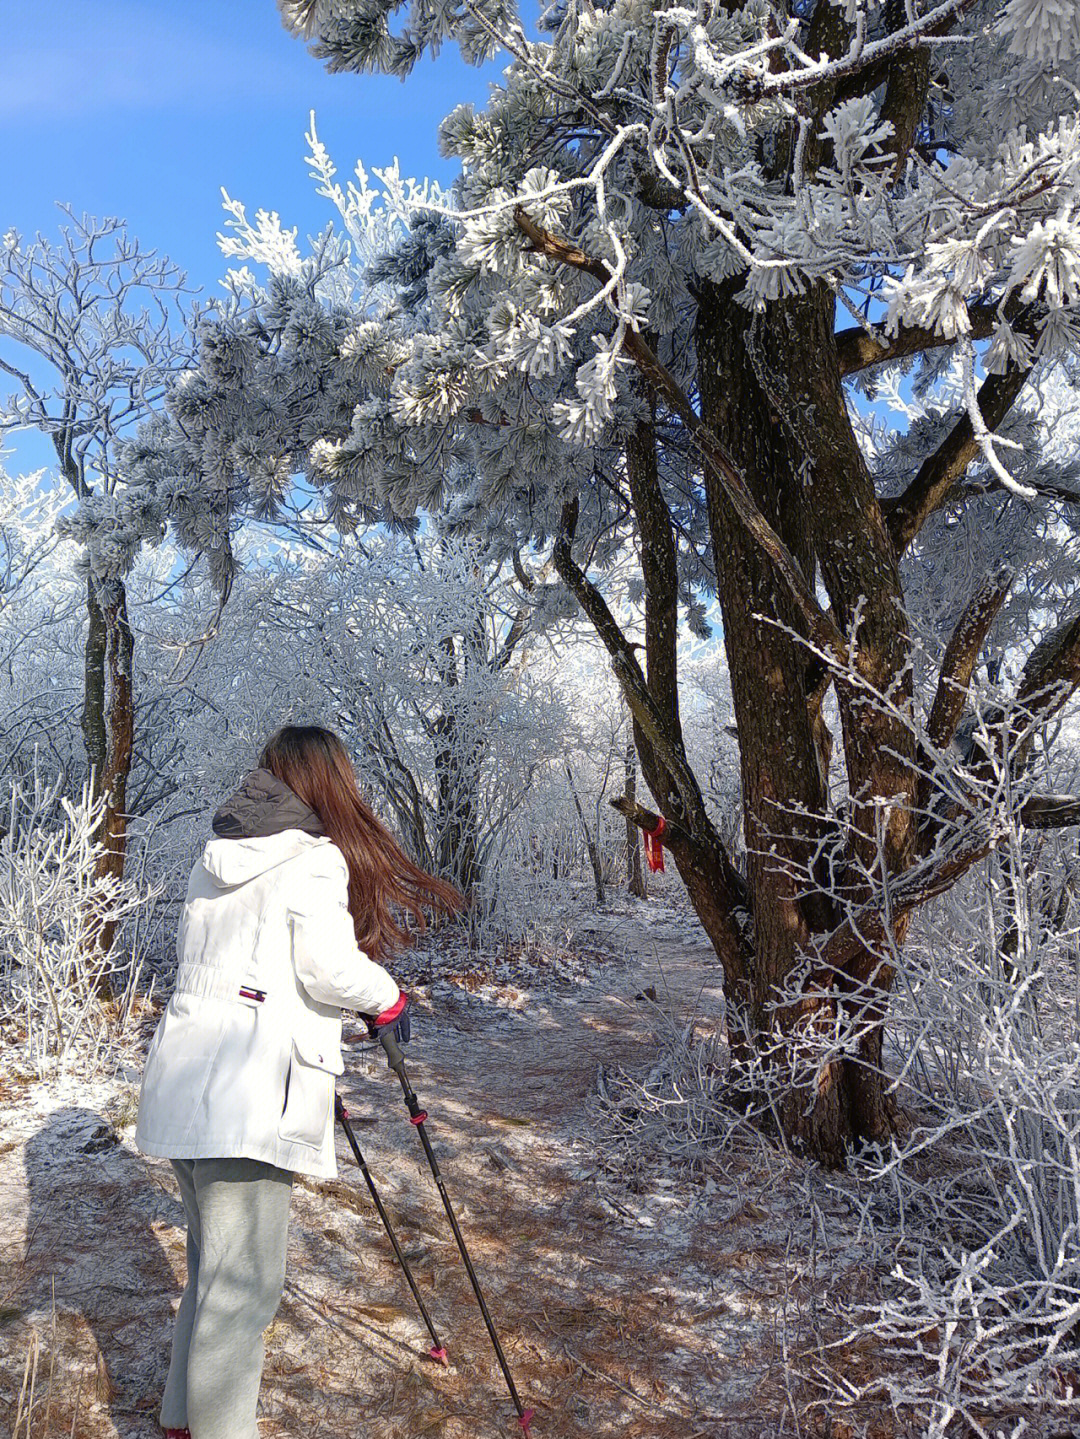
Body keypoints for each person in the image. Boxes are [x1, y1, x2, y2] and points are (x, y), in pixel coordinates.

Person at [135, 725, 461, 1439]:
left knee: (212, 1269)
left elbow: (247, 972)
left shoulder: (216, 855)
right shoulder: (311, 860)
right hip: (246, 1094)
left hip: (187, 1083)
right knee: (243, 1287)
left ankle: (181, 1418)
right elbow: (325, 968)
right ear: (327, 783)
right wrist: (388, 997)